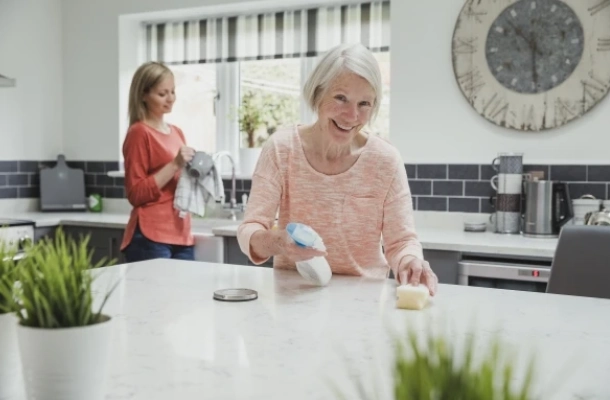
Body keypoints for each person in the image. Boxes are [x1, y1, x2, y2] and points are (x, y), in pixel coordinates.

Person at [236, 43, 438, 295]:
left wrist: (411, 261)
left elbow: (402, 242)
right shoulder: (281, 149)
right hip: (294, 297)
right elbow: (249, 230)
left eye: (364, 103)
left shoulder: (385, 160)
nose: (351, 115)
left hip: (363, 302)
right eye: (341, 98)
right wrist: (278, 243)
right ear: (318, 94)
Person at [120, 61, 196, 262]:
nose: (170, 99)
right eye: (162, 94)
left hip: (182, 234)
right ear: (143, 95)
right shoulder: (139, 133)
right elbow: (135, 194)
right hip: (150, 237)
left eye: (172, 92)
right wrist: (174, 164)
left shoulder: (177, 132)